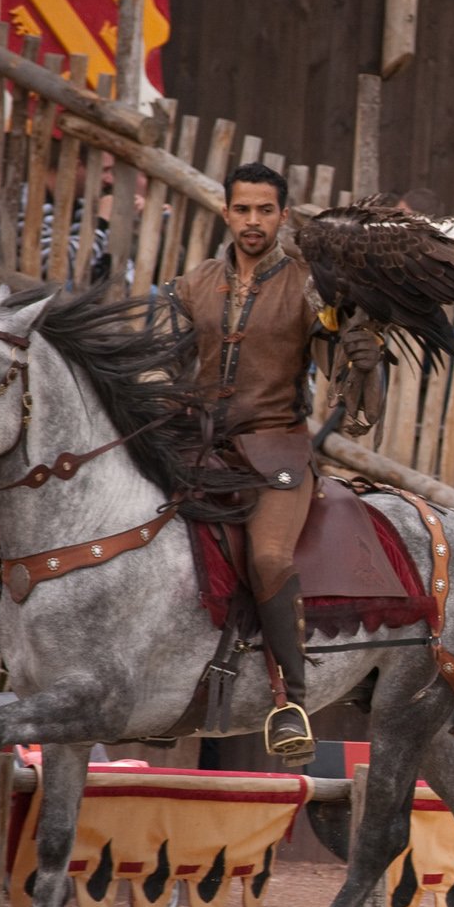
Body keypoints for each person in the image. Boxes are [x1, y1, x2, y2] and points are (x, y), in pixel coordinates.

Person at [172, 163, 384, 759]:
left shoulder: (312, 290)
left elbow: (349, 386)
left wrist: (362, 361)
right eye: (243, 210)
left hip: (278, 451)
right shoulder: (192, 286)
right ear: (226, 213)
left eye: (265, 211)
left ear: (283, 217)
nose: (253, 222)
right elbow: (166, 370)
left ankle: (291, 701)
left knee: (267, 557)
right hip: (197, 449)